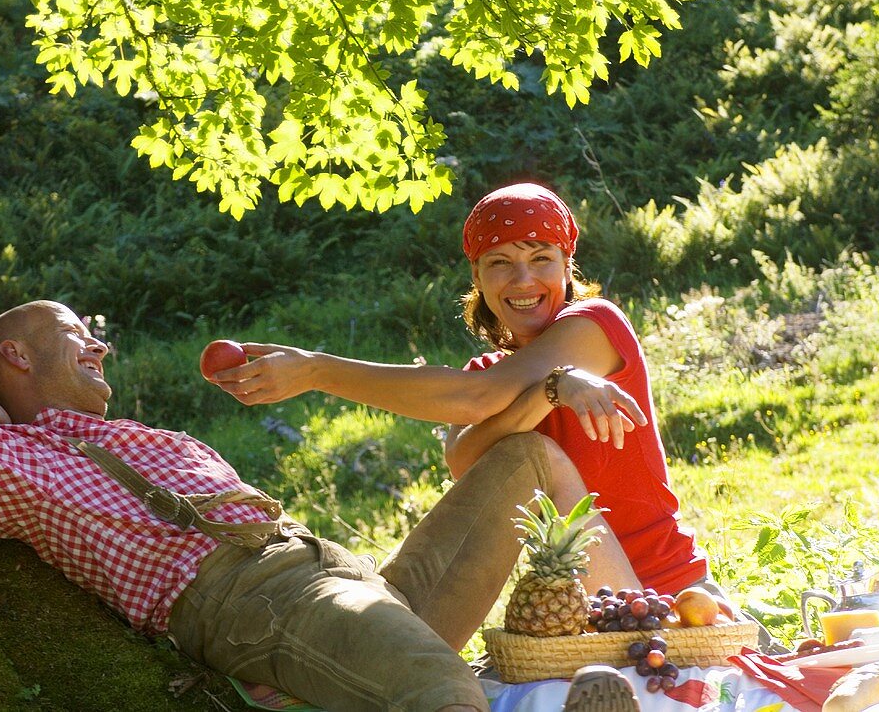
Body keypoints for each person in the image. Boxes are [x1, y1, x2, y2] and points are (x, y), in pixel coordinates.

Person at [0, 299, 641, 712]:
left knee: (520, 457)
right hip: (256, 598)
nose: (100, 347)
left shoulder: (119, 431)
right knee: (442, 695)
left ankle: (648, 618)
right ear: (18, 357)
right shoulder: (23, 458)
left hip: (344, 579)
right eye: (76, 335)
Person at [209, 182, 709, 597]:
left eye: (542, 259)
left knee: (539, 453)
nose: (523, 279)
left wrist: (317, 371)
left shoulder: (594, 326)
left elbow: (479, 398)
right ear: (477, 275)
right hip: (570, 602)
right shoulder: (486, 368)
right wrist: (549, 392)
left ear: (567, 266)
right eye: (500, 263)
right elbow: (467, 465)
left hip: (665, 586)